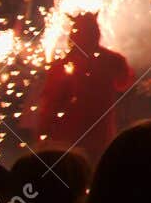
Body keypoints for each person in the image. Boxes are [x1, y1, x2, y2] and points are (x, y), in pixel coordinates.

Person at [37, 13, 133, 160]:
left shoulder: (61, 66)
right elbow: (124, 83)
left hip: (66, 141)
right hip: (97, 138)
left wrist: (42, 135)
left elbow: (49, 105)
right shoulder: (114, 60)